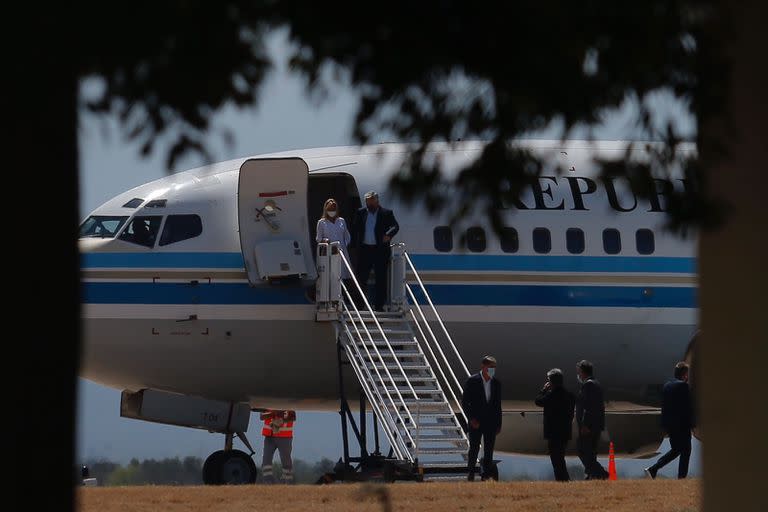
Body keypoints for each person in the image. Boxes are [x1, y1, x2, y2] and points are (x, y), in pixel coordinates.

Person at [644, 362, 695, 479]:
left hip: (670, 425)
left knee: (676, 449)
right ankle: (681, 477)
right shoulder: (684, 386)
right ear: (685, 374)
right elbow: (687, 407)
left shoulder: (667, 385)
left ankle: (653, 469)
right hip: (682, 424)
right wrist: (692, 424)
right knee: (686, 451)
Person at [351, 190, 399, 311]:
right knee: (361, 278)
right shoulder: (361, 213)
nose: (369, 204)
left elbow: (395, 226)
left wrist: (388, 235)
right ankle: (359, 305)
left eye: (371, 201)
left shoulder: (386, 213)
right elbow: (354, 228)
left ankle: (379, 306)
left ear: (377, 201)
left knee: (381, 279)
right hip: (365, 250)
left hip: (380, 251)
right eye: (367, 201)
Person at [461, 355, 502, 481]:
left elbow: (497, 405)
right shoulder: (472, 381)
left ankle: (486, 474)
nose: (492, 370)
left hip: (490, 422)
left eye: (494, 368)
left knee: (489, 449)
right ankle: (471, 472)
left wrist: (499, 423)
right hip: (476, 421)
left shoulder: (496, 383)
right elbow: (465, 402)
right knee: (474, 447)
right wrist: (471, 418)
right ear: (483, 367)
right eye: (490, 367)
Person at [535, 368, 576, 481]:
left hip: (553, 433)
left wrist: (543, 390)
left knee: (556, 459)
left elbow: (538, 401)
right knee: (560, 457)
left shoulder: (551, 395)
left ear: (551, 382)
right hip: (565, 431)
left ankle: (562, 480)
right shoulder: (570, 395)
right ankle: (563, 479)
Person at [575, 359, 609, 480]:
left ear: (583, 372)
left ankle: (600, 473)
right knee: (591, 452)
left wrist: (584, 424)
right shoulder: (596, 384)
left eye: (579, 372)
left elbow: (587, 407)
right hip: (596, 424)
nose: (578, 375)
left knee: (582, 450)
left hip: (589, 426)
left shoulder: (588, 385)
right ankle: (592, 475)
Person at [315, 198, 352, 278]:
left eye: (333, 209)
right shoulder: (321, 222)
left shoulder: (341, 221)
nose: (332, 211)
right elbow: (318, 238)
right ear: (326, 209)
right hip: (329, 252)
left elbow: (347, 236)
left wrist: (343, 245)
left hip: (341, 251)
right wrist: (324, 240)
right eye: (330, 209)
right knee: (332, 275)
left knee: (342, 274)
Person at [260, 409, 296, 484]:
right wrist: (274, 414)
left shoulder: (288, 402)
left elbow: (293, 417)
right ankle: (268, 482)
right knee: (266, 460)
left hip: (284, 436)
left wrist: (281, 420)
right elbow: (262, 416)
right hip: (269, 436)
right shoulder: (267, 402)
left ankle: (287, 482)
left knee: (286, 461)